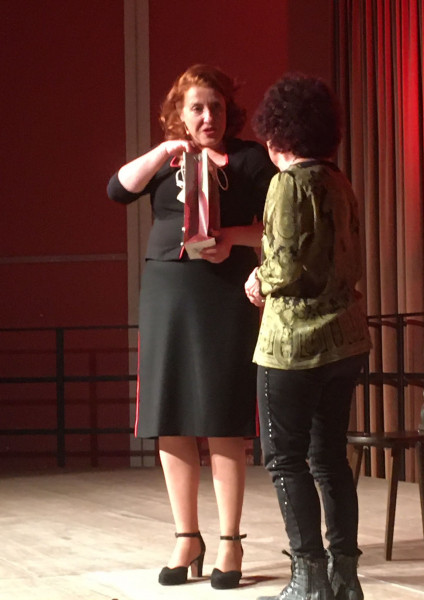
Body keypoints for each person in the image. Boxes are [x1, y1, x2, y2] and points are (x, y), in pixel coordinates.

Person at [107, 64, 276, 590]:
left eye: (216, 107)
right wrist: (165, 151)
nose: (208, 117)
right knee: (171, 413)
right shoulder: (166, 161)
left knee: (223, 414)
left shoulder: (248, 159)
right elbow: (116, 189)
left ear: (229, 112)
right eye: (197, 108)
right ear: (179, 115)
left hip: (224, 292)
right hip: (168, 292)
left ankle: (229, 541)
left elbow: (277, 225)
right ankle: (187, 537)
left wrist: (232, 238)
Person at [244, 73, 372, 600]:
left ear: (278, 133)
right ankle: (345, 577)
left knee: (285, 460)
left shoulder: (288, 183)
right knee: (330, 458)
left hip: (292, 345)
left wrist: (258, 279)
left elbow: (285, 264)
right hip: (345, 339)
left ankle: (308, 579)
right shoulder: (340, 182)